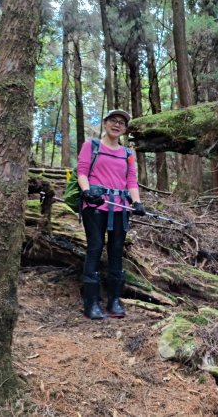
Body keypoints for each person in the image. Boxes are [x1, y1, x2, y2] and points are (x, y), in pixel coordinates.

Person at [77, 109, 146, 319]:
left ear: (124, 129)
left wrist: (137, 202)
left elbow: (131, 181)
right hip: (96, 206)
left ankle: (114, 300)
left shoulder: (128, 154)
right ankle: (91, 302)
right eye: (113, 121)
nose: (117, 125)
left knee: (116, 250)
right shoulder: (92, 146)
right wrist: (87, 192)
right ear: (105, 123)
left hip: (120, 208)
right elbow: (82, 172)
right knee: (95, 247)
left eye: (121, 123)